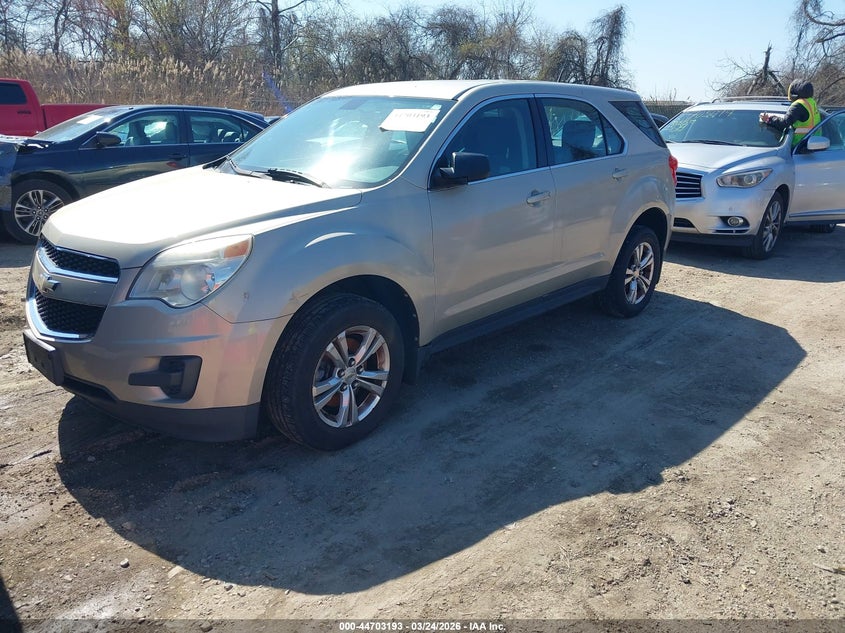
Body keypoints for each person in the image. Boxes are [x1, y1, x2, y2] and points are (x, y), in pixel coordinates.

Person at [759, 79, 821, 145]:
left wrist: (769, 119)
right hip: (816, 142)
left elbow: (784, 123)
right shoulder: (811, 102)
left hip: (799, 145)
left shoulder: (798, 105)